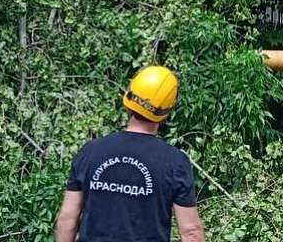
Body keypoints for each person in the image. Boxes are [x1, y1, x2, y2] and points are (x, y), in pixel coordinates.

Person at [54, 66, 205, 242]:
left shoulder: (90, 151)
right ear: (165, 114)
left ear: (127, 103)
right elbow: (191, 231)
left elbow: (67, 219)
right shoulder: (174, 162)